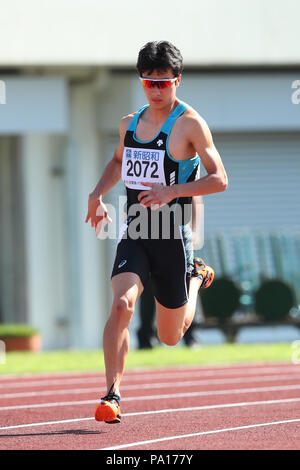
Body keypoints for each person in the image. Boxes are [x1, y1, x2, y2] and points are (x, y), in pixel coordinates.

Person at [85, 40, 228, 424]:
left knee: (170, 336)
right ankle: (112, 394)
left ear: (177, 80)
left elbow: (220, 179)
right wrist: (97, 194)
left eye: (163, 83)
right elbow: (118, 160)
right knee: (121, 306)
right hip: (135, 231)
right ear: (141, 81)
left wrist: (173, 191)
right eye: (149, 82)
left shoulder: (190, 124)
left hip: (171, 236)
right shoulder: (128, 124)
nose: (156, 89)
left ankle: (195, 276)